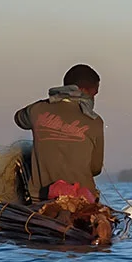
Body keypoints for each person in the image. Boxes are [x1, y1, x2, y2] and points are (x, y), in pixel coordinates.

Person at [14, 64, 105, 203]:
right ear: (82, 91)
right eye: (94, 93)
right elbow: (95, 168)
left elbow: (19, 119)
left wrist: (50, 102)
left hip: (39, 199)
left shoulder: (37, 109)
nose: (94, 98)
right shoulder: (95, 121)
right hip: (82, 200)